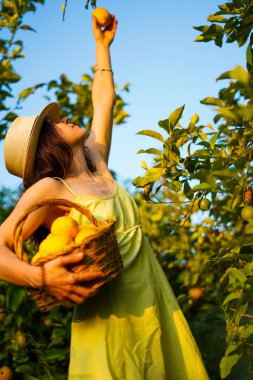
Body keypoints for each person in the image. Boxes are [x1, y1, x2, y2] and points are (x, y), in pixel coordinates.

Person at [1, 12, 210, 380]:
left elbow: (104, 102)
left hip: (154, 306)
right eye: (54, 125)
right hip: (108, 325)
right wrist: (41, 278)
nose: (64, 119)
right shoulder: (51, 190)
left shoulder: (98, 164)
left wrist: (102, 46)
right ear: (47, 146)